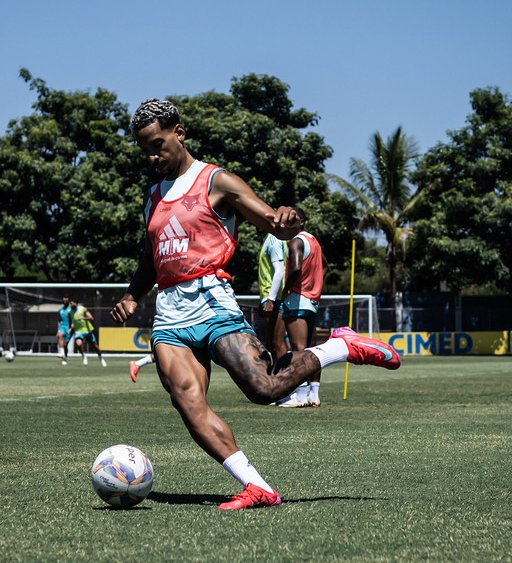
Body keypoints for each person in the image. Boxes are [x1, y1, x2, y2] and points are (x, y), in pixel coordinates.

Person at [110, 98, 401, 511]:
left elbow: (273, 223)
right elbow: (151, 255)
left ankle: (341, 347)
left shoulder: (217, 181)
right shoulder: (152, 195)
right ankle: (257, 487)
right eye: (145, 150)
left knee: (264, 390)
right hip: (170, 315)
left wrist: (289, 220)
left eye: (157, 145)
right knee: (187, 402)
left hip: (212, 303)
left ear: (180, 132)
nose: (152, 157)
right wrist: (131, 294)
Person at [276, 213, 326, 408]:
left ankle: (301, 395)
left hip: (297, 300)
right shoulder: (314, 241)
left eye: (291, 220)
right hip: (312, 301)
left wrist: (287, 289)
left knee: (299, 349)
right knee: (312, 350)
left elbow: (295, 268)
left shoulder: (295, 241)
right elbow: (325, 266)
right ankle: (314, 394)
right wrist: (315, 285)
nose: (286, 223)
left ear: (301, 222)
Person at [257, 232, 288, 360]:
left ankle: (283, 372)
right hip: (272, 298)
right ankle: (277, 371)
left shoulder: (274, 240)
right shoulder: (269, 239)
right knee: (272, 344)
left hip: (275, 300)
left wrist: (271, 299)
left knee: (277, 344)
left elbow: (279, 270)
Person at [71, 299, 106, 367]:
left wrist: (83, 318)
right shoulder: (71, 311)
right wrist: (72, 326)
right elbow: (73, 320)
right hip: (78, 331)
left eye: (72, 303)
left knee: (95, 347)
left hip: (87, 331)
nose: (71, 305)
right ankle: (84, 356)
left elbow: (91, 317)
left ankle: (101, 358)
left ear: (76, 303)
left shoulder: (82, 309)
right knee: (78, 344)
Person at [57, 296, 73, 365]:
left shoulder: (71, 309)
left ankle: (65, 358)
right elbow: (59, 320)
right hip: (62, 327)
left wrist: (71, 328)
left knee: (65, 345)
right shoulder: (60, 310)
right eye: (64, 301)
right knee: (59, 335)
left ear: (68, 301)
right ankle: (61, 353)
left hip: (69, 328)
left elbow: (73, 320)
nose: (65, 302)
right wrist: (58, 329)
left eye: (66, 301)